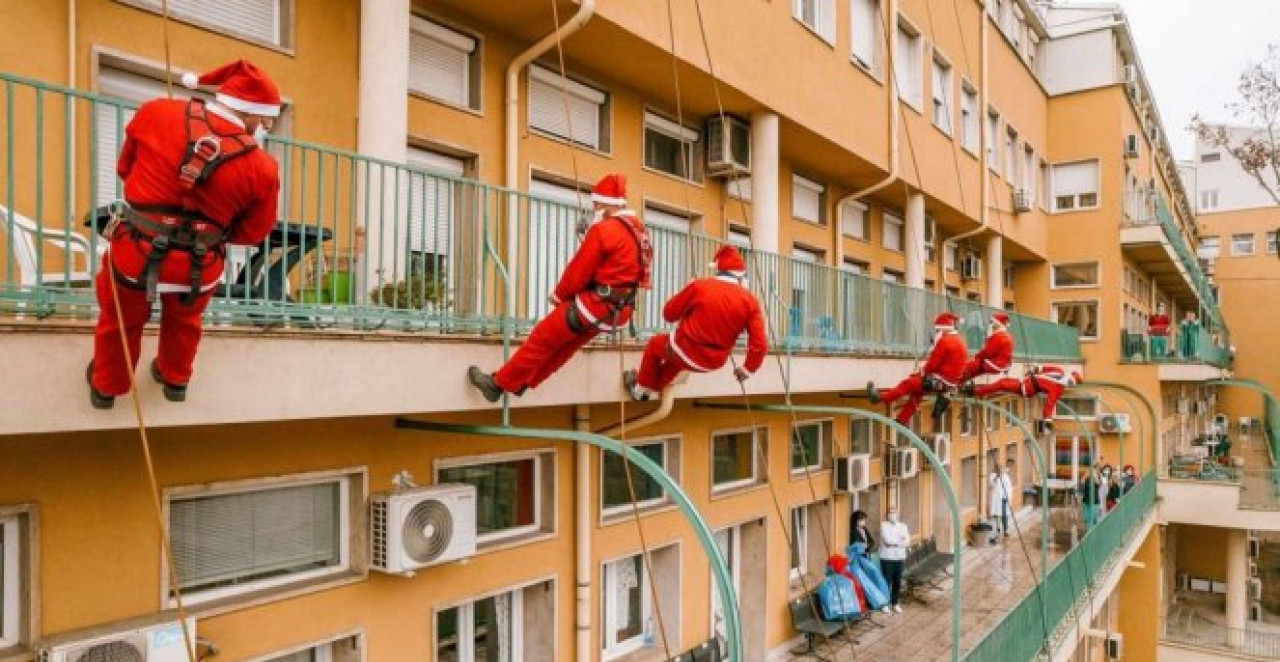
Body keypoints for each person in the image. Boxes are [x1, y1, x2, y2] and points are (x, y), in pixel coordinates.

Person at [88, 60, 282, 409]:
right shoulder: (264, 167)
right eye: (265, 119)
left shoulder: (155, 112)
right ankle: (174, 378)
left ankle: (107, 386)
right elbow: (255, 231)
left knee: (121, 317)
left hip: (137, 250)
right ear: (249, 113)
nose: (265, 126)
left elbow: (123, 168)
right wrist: (212, 232)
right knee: (186, 318)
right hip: (200, 263)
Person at [469, 174, 652, 402]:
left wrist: (559, 295)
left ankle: (496, 385)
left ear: (606, 203)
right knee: (563, 348)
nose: (593, 207)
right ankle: (524, 382)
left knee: (542, 340)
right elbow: (625, 268)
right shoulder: (640, 231)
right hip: (620, 311)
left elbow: (579, 270)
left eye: (596, 203)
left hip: (594, 305)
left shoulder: (604, 231)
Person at [623, 245, 767, 401]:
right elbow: (760, 343)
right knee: (675, 363)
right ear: (740, 276)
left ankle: (640, 389)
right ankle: (650, 389)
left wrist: (688, 293)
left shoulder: (700, 286)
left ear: (718, 269)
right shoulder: (751, 301)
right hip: (712, 363)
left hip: (686, 348)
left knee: (655, 345)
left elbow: (669, 314)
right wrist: (747, 370)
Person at [867, 312, 969, 427]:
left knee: (908, 384)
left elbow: (932, 365)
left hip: (941, 381)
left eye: (937, 331)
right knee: (917, 391)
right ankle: (902, 419)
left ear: (942, 330)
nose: (935, 334)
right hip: (949, 382)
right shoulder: (959, 340)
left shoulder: (945, 342)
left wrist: (921, 372)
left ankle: (880, 398)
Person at [973, 365, 1083, 435]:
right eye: (1069, 381)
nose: (1066, 382)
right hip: (1026, 381)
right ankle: (979, 391)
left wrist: (1047, 420)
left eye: (1069, 382)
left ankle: (977, 391)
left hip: (1026, 388)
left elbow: (1050, 404)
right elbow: (1043, 368)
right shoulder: (1058, 372)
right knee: (1003, 382)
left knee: (1002, 384)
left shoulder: (1058, 388)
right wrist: (1034, 369)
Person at [961, 311, 1015, 384]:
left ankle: (954, 383)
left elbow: (988, 352)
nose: (991, 324)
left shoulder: (999, 336)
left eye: (992, 322)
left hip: (995, 364)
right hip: (1001, 364)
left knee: (969, 367)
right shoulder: (1007, 336)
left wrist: (976, 357)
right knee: (975, 368)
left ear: (998, 323)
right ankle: (960, 384)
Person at [879, 508, 910, 614]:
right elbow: (887, 541)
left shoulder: (903, 526)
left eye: (894, 512)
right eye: (890, 513)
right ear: (887, 515)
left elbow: (907, 542)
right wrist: (900, 540)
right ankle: (885, 603)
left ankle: (895, 603)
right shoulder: (883, 525)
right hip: (887, 558)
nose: (892, 515)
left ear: (897, 514)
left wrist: (896, 543)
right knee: (886, 581)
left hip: (900, 557)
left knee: (897, 581)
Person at [988, 463, 1014, 540]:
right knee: (996, 513)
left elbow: (1009, 486)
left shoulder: (1005, 476)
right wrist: (996, 477)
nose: (999, 470)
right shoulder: (992, 476)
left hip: (1004, 498)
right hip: (996, 498)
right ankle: (997, 528)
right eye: (997, 469)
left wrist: (1007, 496)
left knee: (1004, 514)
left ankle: (1005, 530)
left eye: (1000, 469)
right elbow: (992, 485)